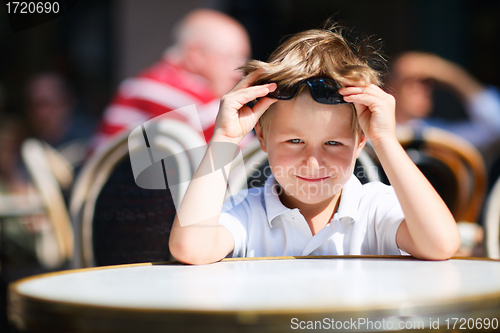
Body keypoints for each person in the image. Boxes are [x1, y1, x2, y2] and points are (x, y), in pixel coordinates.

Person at [168, 25, 460, 265]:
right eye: (295, 141)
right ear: (261, 138)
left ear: (360, 142)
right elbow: (191, 249)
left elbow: (440, 244)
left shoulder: (374, 208)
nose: (313, 162)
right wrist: (225, 138)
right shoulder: (246, 211)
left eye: (333, 143)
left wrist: (386, 141)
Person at [92, 9, 251, 150]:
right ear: (196, 53)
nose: (239, 73)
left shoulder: (142, 85)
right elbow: (249, 162)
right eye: (232, 59)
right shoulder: (182, 99)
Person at [388, 51, 500, 154]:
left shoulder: (438, 135)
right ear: (390, 85)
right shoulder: (375, 134)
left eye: (427, 82)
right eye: (410, 81)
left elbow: (495, 128)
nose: (423, 89)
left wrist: (449, 74)